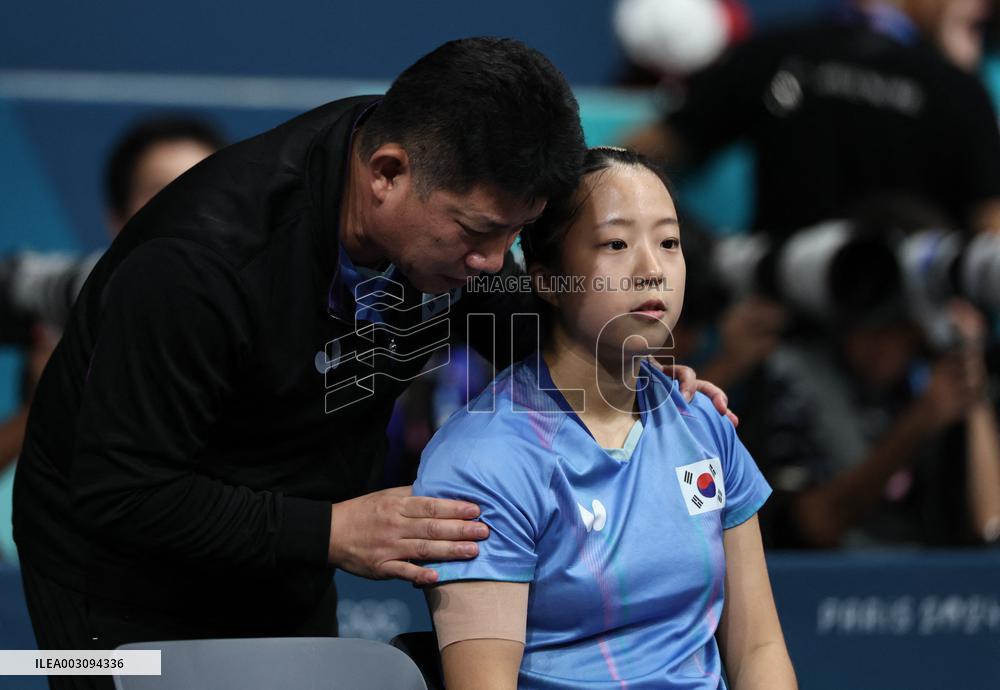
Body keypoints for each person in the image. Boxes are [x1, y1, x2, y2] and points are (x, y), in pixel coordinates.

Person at [11, 38, 731, 689]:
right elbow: (117, 489)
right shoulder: (201, 265)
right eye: (479, 233)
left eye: (511, 237)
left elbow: (513, 315)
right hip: (115, 575)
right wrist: (328, 532)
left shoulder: (434, 179)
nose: (491, 264)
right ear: (387, 174)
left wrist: (625, 375)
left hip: (288, 538)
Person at [413, 148, 795, 689]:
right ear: (546, 279)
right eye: (616, 244)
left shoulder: (703, 425)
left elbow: (758, 648)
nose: (652, 270)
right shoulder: (483, 458)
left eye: (668, 242)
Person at [625, 0, 1000, 238]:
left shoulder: (780, 52)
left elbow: (632, 160)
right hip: (908, 337)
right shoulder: (961, 92)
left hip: (782, 320)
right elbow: (991, 233)